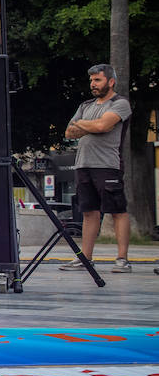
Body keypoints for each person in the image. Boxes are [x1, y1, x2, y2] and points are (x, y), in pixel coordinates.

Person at [60, 64, 131, 273]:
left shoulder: (120, 104)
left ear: (110, 81)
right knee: (89, 212)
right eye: (91, 80)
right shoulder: (86, 105)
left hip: (107, 165)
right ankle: (85, 259)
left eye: (97, 80)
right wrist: (90, 124)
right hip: (83, 164)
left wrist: (83, 124)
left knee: (117, 211)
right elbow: (69, 133)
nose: (93, 84)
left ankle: (122, 260)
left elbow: (102, 127)